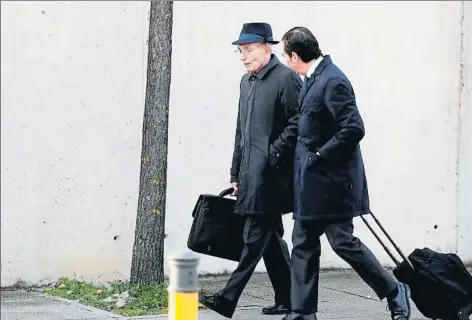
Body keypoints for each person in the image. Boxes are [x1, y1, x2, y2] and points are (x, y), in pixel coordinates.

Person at [279, 26, 412, 320]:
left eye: (287, 57)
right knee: (302, 243)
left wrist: (319, 155)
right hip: (311, 183)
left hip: (334, 184)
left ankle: (394, 290)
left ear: (297, 55)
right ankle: (302, 311)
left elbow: (354, 128)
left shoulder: (333, 80)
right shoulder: (313, 79)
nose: (287, 63)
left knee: (342, 243)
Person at [198, 22, 302, 318]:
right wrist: (236, 174)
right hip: (250, 175)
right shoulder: (247, 82)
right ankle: (290, 299)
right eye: (239, 51)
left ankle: (228, 299)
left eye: (248, 50)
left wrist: (273, 153)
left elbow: (299, 122)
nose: (243, 56)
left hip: (274, 177)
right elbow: (240, 132)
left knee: (254, 237)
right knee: (270, 240)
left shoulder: (286, 79)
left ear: (266, 48)